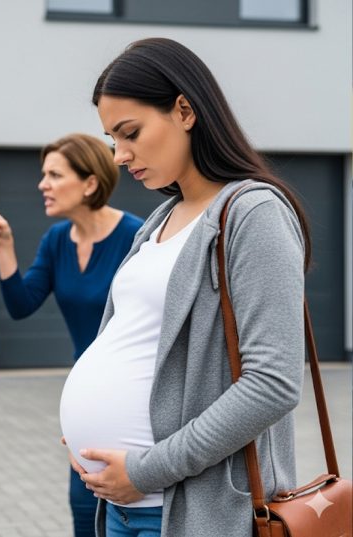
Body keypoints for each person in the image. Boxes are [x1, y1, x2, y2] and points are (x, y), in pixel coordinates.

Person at [58, 38, 310, 537]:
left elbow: (273, 382)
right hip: (124, 508)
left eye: (130, 133)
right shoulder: (158, 219)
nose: (120, 156)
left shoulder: (253, 213)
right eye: (112, 139)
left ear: (185, 110)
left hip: (191, 513)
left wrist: (147, 470)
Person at [0, 133, 143, 537]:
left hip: (131, 401)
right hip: (87, 402)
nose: (41, 184)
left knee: (129, 514)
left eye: (53, 174)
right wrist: (5, 246)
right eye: (42, 174)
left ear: (89, 183)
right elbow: (22, 304)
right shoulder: (55, 240)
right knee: (84, 513)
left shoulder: (135, 237)